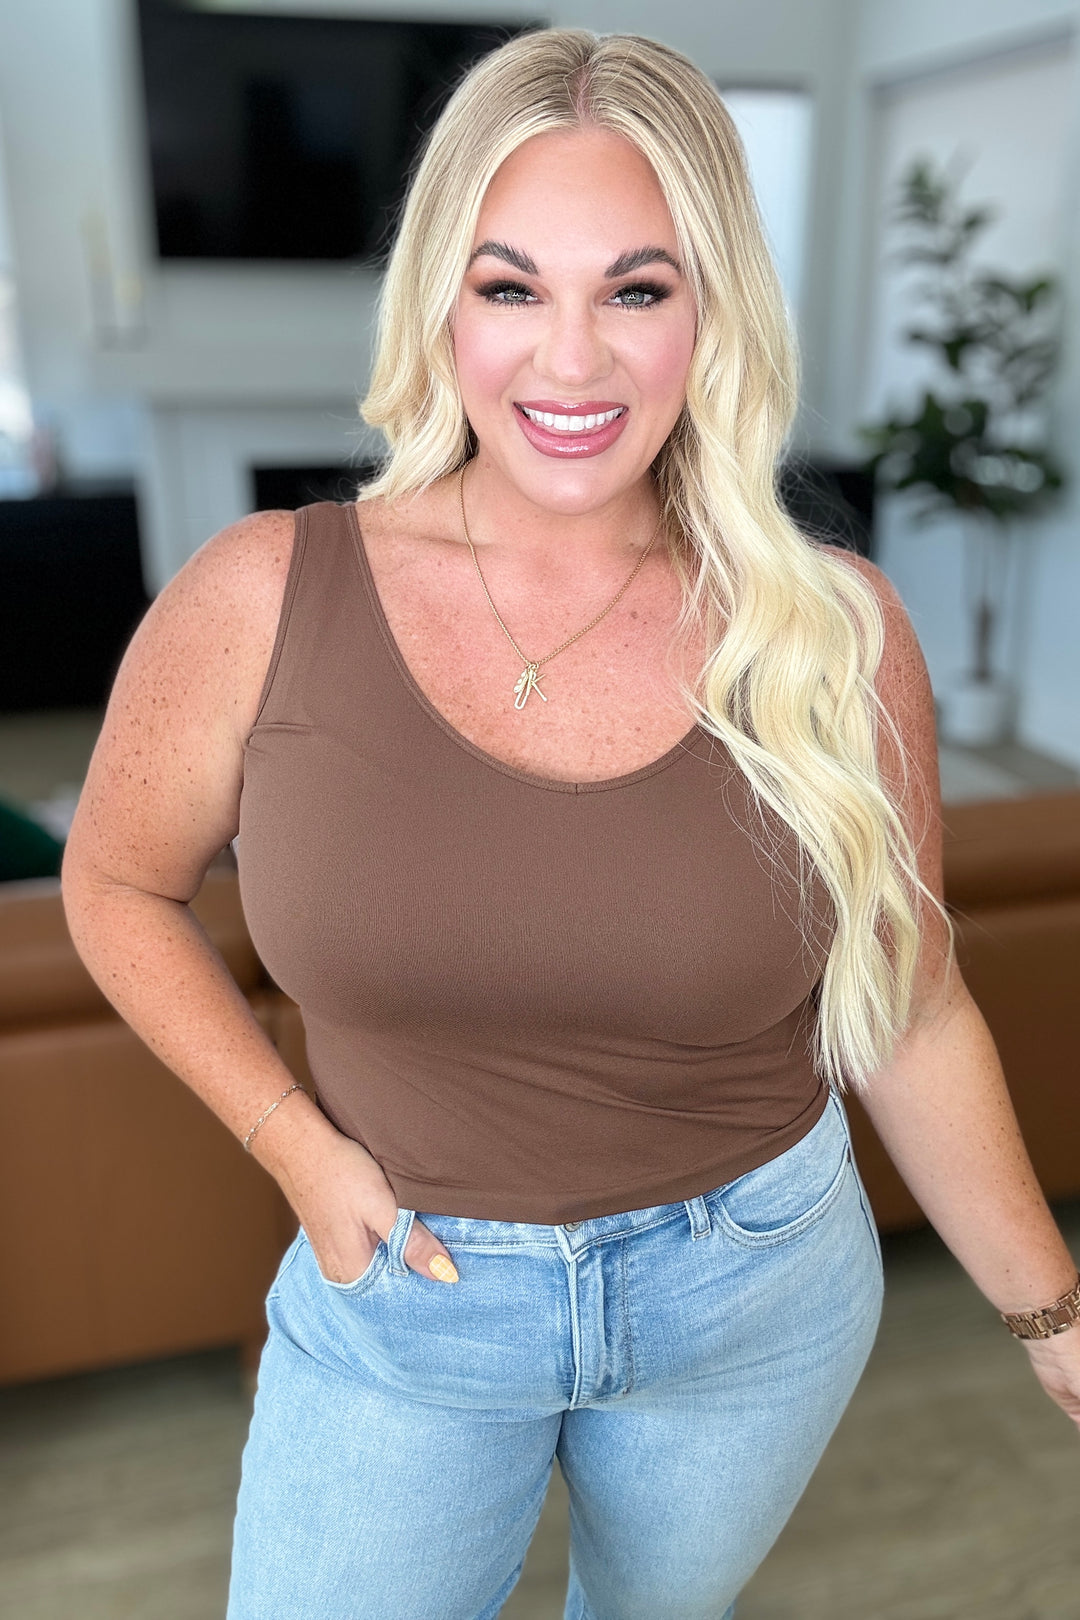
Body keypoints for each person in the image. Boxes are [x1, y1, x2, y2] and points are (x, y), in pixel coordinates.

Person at [61, 27, 1079, 1620]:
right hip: (407, 1293)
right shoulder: (262, 594)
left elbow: (910, 1003)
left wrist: (1054, 1317)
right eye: (512, 286)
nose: (572, 361)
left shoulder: (831, 633)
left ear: (713, 310)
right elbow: (117, 882)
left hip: (752, 1290)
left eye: (637, 289)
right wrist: (294, 1147)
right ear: (442, 305)